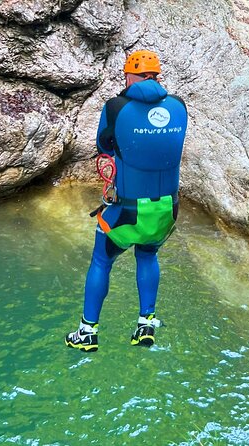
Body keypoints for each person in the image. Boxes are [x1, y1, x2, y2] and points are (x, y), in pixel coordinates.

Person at [65, 50, 188, 352]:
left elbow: (104, 145)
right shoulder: (179, 106)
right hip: (166, 210)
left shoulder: (116, 108)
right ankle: (146, 324)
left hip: (128, 211)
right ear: (157, 76)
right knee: (147, 256)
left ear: (130, 76)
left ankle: (87, 331)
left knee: (101, 260)